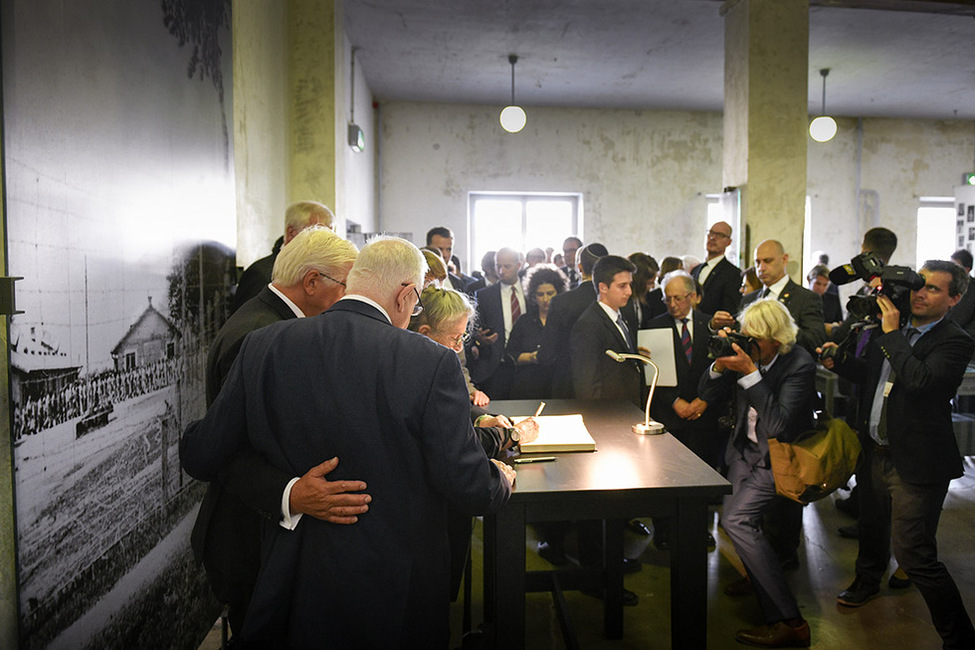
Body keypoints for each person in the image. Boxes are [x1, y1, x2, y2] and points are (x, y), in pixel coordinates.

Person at [180, 237, 513, 648]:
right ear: (406, 293)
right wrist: (500, 477)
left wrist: (289, 492)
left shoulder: (264, 345)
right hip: (396, 585)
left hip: (295, 578)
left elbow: (201, 453)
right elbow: (468, 485)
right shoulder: (430, 360)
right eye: (417, 302)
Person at [192, 225, 364, 637]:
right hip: (250, 535)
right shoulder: (258, 336)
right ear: (311, 282)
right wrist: (290, 492)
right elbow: (224, 452)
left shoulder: (272, 320)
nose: (352, 301)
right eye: (347, 287)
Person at [821, 260, 975, 649]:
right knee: (871, 526)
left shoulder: (954, 340)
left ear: (955, 299)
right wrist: (838, 361)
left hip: (917, 460)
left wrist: (891, 335)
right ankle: (867, 582)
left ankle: (959, 636)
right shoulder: (894, 330)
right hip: (876, 450)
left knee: (915, 553)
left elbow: (919, 381)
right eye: (919, 285)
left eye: (934, 289)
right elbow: (873, 377)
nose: (920, 294)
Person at [408, 285, 538, 599]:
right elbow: (454, 444)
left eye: (463, 339)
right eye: (455, 339)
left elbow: (454, 413)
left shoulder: (427, 357)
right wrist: (512, 435)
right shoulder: (424, 369)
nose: (458, 348)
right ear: (425, 332)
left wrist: (479, 418)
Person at [699, 299, 816, 648]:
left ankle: (791, 623)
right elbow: (705, 392)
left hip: (775, 458)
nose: (747, 343)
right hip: (742, 450)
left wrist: (750, 372)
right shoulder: (749, 353)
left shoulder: (799, 364)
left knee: (737, 521)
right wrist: (720, 366)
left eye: (755, 339)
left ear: (776, 339)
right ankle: (757, 576)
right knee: (737, 523)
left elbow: (778, 422)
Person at [644, 271, 727, 550]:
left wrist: (704, 401)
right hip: (670, 414)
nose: (672, 304)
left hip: (704, 414)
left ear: (692, 297)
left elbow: (722, 370)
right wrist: (675, 401)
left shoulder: (710, 326)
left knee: (701, 476)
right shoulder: (654, 326)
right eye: (667, 299)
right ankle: (664, 530)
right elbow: (652, 373)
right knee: (664, 476)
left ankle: (698, 528)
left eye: (678, 298)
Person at [715, 239, 826, 356]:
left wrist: (781, 328)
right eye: (757, 262)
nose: (761, 268)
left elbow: (815, 341)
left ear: (784, 259)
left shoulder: (806, 298)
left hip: (788, 367)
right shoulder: (748, 299)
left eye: (768, 261)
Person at [233, 200, 335, 311]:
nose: (326, 243)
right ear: (291, 232)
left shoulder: (321, 272)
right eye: (318, 235)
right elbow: (249, 323)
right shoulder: (260, 274)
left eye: (330, 236)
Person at [537, 243, 608, 398]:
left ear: (580, 267)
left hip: (568, 385)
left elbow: (547, 355)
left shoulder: (562, 302)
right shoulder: (616, 300)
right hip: (609, 385)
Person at [570, 255, 642, 407]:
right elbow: (587, 386)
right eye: (622, 286)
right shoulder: (588, 324)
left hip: (628, 408)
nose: (629, 291)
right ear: (603, 287)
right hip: (608, 414)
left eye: (630, 285)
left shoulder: (622, 316)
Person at [504, 264, 568, 398]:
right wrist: (532, 357)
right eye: (540, 294)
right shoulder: (524, 321)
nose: (545, 300)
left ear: (559, 293)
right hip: (529, 386)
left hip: (559, 387)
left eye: (550, 294)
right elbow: (511, 354)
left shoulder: (566, 322)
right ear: (533, 296)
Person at [470, 247, 526, 398]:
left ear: (519, 266)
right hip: (495, 367)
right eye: (498, 266)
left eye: (507, 266)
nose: (501, 271)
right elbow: (473, 329)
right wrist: (480, 339)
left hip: (526, 365)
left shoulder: (531, 292)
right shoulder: (484, 295)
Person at [692, 221, 742, 316]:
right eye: (711, 233)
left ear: (728, 242)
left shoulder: (733, 273)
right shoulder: (695, 270)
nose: (712, 238)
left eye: (719, 235)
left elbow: (730, 309)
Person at [622, 252, 664, 329]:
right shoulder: (623, 302)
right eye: (649, 283)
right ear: (638, 282)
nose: (653, 287)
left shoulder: (645, 298)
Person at [426, 226, 473, 291]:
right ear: (428, 248)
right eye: (440, 249)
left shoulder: (458, 283)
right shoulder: (417, 280)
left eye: (449, 249)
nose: (445, 254)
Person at [807, 264, 843, 331]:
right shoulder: (800, 298)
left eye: (825, 285)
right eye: (818, 284)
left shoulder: (833, 299)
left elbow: (840, 322)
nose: (821, 288)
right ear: (809, 280)